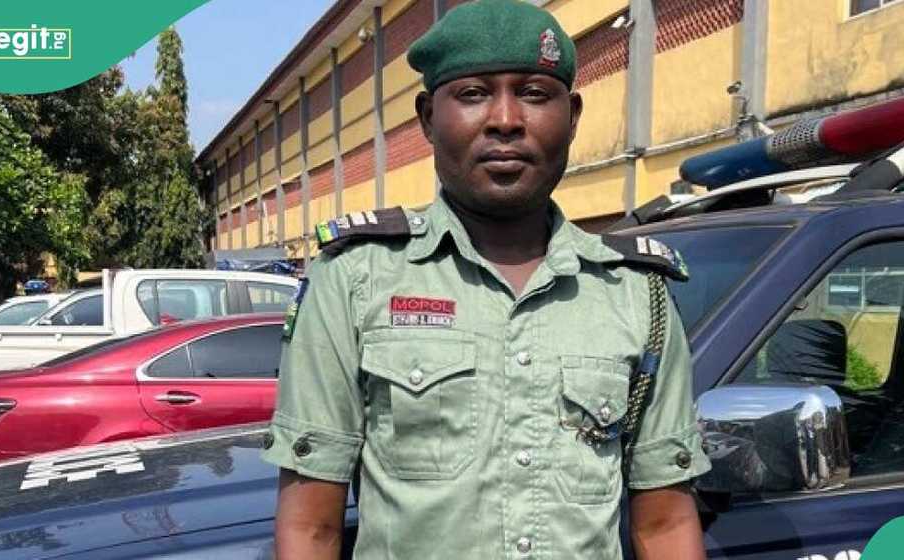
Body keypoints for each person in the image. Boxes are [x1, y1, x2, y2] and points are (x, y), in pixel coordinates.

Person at [262, 1, 711, 558]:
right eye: (473, 94)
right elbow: (311, 527)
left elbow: (664, 525)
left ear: (572, 116)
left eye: (534, 93)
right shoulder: (356, 278)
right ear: (428, 117)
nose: (505, 119)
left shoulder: (636, 294)